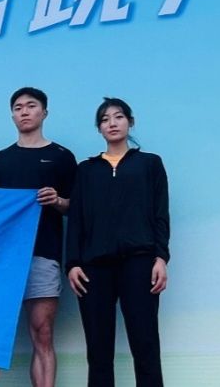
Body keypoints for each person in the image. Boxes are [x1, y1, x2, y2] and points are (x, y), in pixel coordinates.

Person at [65, 98, 170, 387]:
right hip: (94, 267)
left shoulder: (150, 164)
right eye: (105, 119)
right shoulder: (86, 170)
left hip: (140, 262)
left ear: (130, 122)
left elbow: (160, 214)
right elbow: (76, 220)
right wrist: (72, 263)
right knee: (98, 350)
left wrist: (161, 257)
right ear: (99, 128)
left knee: (145, 343)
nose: (112, 123)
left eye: (118, 116)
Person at [0, 87, 76, 387]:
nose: (24, 112)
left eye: (31, 106)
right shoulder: (0, 158)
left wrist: (57, 200)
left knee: (42, 331)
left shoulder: (61, 157)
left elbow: (77, 207)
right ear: (12, 116)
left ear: (44, 112)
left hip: (42, 254)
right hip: (1, 259)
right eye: (18, 107)